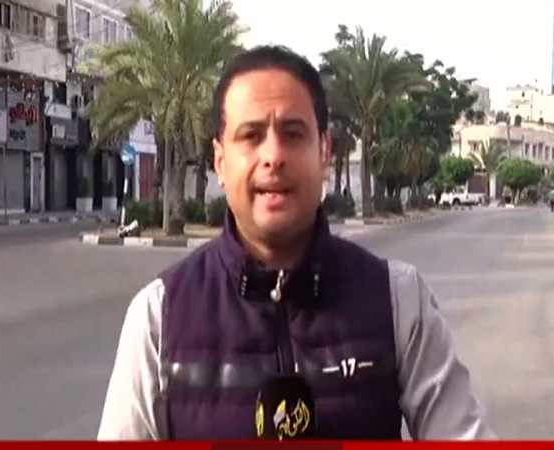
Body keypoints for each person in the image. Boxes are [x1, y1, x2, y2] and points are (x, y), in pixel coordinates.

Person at [97, 45, 494, 441]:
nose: (273, 155)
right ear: (220, 159)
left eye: (292, 134)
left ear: (323, 151)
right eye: (251, 135)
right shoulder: (159, 318)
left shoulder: (397, 301)